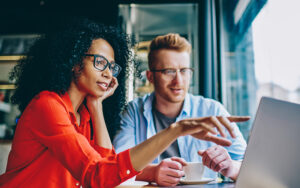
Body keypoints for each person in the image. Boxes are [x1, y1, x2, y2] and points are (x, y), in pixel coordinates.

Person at [0, 20, 249, 188]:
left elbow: (107, 169)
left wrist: (96, 106)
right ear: (74, 63)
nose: (109, 73)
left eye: (112, 66)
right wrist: (176, 130)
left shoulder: (83, 116)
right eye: (100, 62)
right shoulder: (48, 105)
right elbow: (98, 176)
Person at [113, 33, 248, 186]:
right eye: (169, 71)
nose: (178, 80)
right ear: (150, 77)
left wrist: (230, 168)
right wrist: (152, 173)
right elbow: (116, 167)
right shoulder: (134, 111)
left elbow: (250, 166)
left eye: (184, 70)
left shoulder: (212, 109)